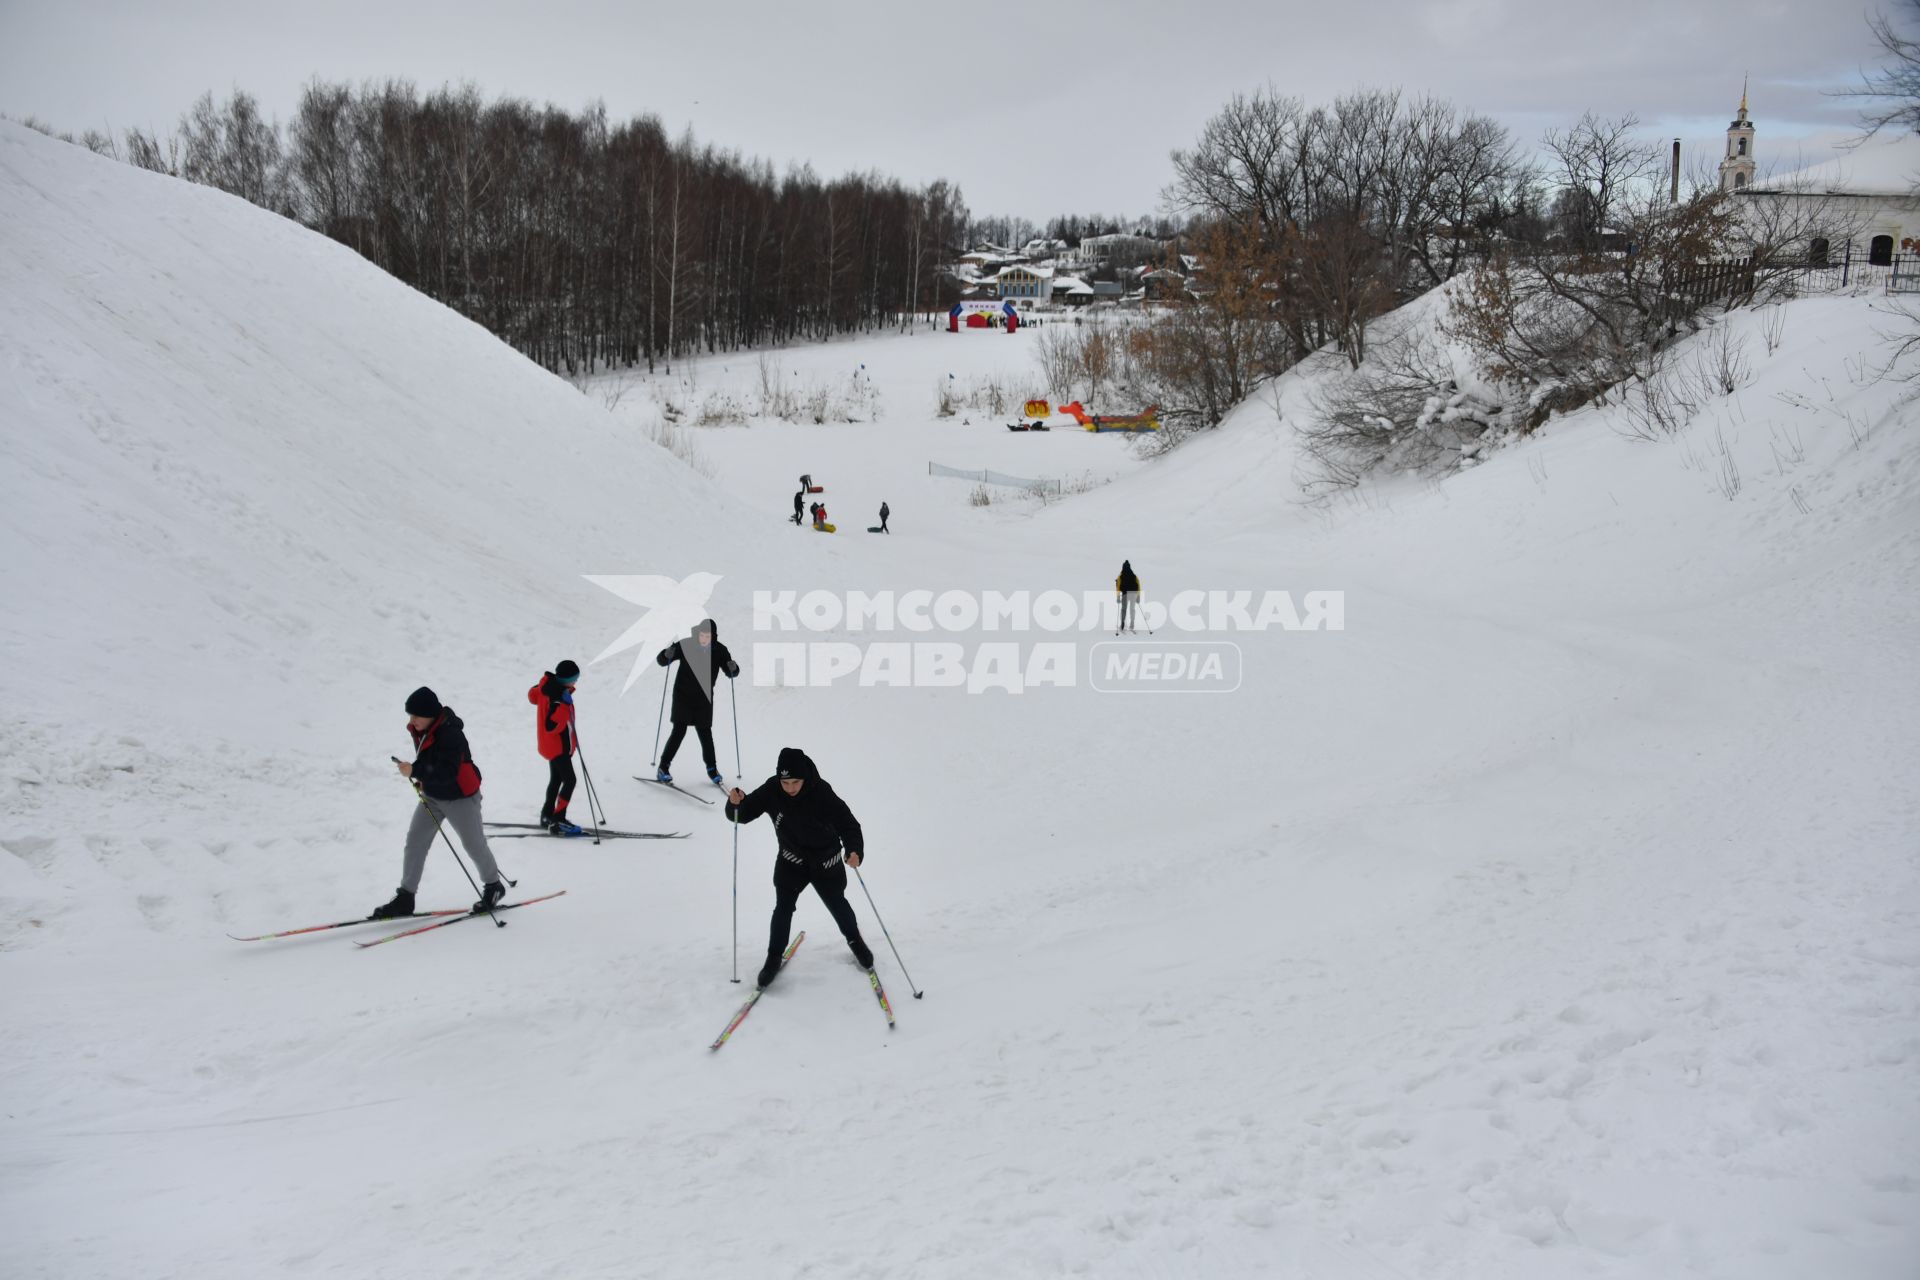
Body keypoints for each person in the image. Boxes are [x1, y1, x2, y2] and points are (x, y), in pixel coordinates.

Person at [725, 748, 872, 986]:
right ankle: (773, 958)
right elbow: (743, 813)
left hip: (827, 862)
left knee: (837, 903)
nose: (790, 788)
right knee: (782, 908)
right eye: (786, 782)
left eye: (795, 782)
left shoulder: (821, 792)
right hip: (791, 862)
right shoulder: (772, 789)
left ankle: (856, 941)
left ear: (805, 778)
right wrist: (735, 804)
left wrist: (854, 851)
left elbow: (849, 824)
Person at [371, 687, 506, 918]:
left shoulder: (452, 734)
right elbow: (430, 761)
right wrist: (420, 775)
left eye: (415, 715)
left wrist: (415, 770)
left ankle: (494, 886)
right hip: (433, 795)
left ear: (430, 713)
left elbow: (447, 771)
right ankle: (406, 897)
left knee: (473, 844)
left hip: (460, 797)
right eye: (410, 716)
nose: (411, 721)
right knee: (415, 842)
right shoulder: (422, 728)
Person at [655, 619, 739, 786]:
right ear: (697, 633)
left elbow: (731, 673)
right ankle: (663, 768)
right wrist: (666, 654)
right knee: (679, 730)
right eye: (701, 635)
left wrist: (733, 667)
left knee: (705, 733)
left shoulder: (720, 650)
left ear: (713, 636)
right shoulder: (686, 644)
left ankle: (712, 770)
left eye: (707, 636)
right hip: (683, 696)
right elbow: (662, 661)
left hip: (704, 698)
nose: (704, 638)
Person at [528, 659, 581, 833]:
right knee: (570, 780)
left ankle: (547, 814)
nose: (576, 681)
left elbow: (532, 695)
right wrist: (564, 705)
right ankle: (558, 819)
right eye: (575, 678)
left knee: (557, 779)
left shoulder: (548, 687)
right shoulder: (557, 698)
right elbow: (552, 726)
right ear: (566, 679)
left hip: (549, 745)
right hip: (557, 746)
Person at [1116, 559, 1141, 634]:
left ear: (1123, 567)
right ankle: (1132, 623)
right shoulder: (1134, 576)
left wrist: (1118, 597)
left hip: (1125, 594)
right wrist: (1138, 596)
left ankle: (1122, 623)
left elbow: (1118, 587)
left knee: (1124, 609)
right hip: (1133, 594)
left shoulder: (1120, 576)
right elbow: (1138, 585)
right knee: (1132, 609)